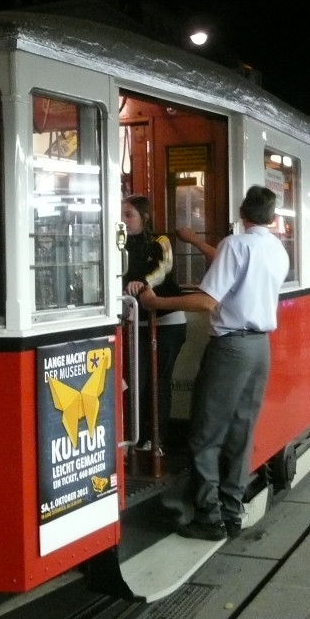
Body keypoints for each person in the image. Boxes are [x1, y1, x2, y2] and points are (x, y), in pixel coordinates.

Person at [138, 186, 289, 541]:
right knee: (240, 432)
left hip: (231, 349)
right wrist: (194, 242)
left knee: (205, 434)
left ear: (241, 212)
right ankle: (233, 512)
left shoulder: (235, 246)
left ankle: (209, 517)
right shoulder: (275, 249)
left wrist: (156, 302)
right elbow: (232, 267)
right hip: (259, 349)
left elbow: (207, 302)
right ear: (271, 216)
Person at [121, 195, 186, 455]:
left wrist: (143, 282)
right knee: (135, 381)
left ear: (144, 217)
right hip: (136, 322)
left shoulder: (159, 242)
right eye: (122, 215)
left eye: (129, 215)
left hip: (165, 322)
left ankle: (156, 438)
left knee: (157, 380)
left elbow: (163, 268)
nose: (124, 221)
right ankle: (133, 438)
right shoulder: (119, 244)